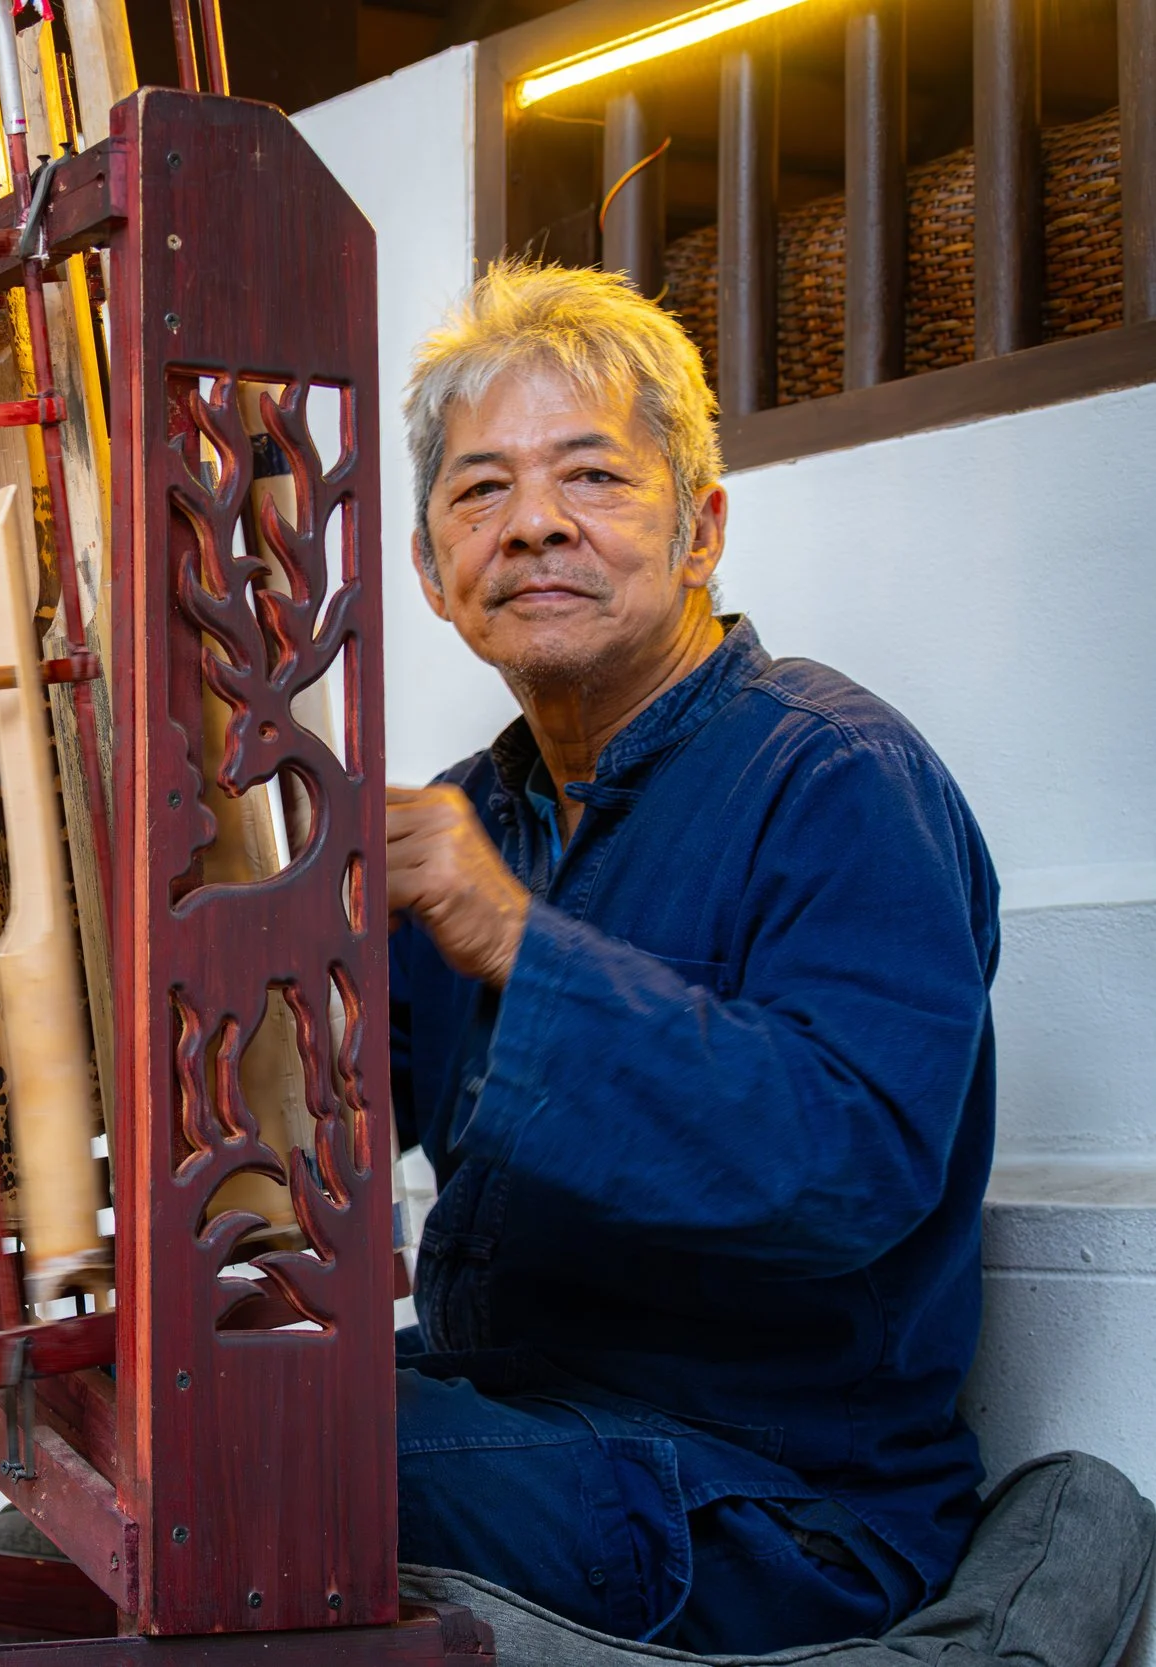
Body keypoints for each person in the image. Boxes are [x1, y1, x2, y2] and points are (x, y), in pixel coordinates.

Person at [384, 260, 997, 1651]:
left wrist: (515, 946)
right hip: (530, 1423)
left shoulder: (841, 773)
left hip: (771, 1496)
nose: (533, 524)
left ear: (703, 527)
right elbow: (321, 1118)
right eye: (480, 491)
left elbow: (849, 1163)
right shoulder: (468, 818)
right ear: (431, 571)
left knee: (267, 1475)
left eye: (592, 477)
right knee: (149, 1445)